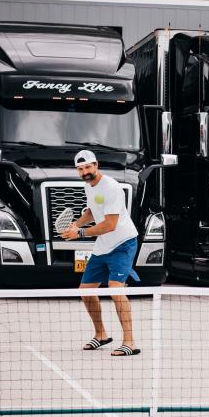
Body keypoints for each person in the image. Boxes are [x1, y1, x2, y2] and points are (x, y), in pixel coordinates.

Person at [61, 149, 141, 357]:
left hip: (123, 243)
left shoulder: (112, 188)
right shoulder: (90, 186)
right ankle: (101, 334)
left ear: (96, 165)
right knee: (85, 290)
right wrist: (75, 224)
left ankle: (129, 342)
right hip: (103, 245)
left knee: (116, 289)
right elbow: (91, 212)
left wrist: (78, 233)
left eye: (88, 167)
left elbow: (110, 224)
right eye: (80, 169)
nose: (85, 172)